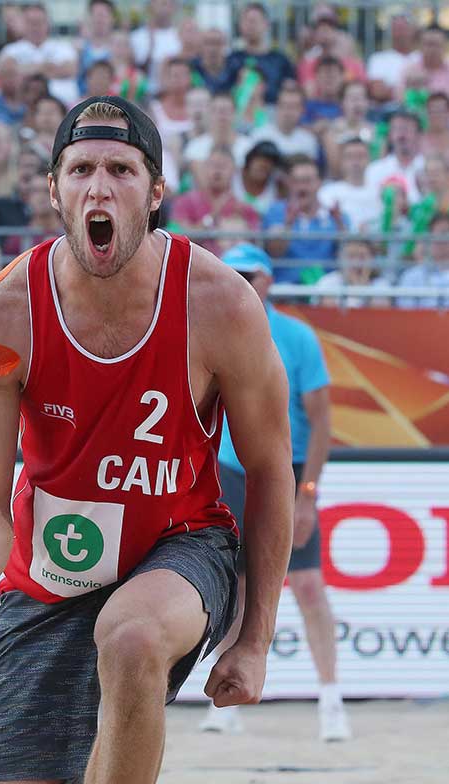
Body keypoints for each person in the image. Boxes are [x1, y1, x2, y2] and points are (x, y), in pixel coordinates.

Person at [0, 94, 292, 784]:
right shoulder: (0, 314)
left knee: (129, 637)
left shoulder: (220, 301)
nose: (102, 187)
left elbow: (271, 469)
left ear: (155, 192)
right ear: (54, 192)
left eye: (122, 170)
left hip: (182, 543)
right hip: (53, 568)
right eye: (83, 170)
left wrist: (254, 638)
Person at [198, 241, 348, 741]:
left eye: (251, 274)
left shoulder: (296, 337)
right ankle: (225, 701)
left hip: (287, 468)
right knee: (235, 588)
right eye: (233, 272)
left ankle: (330, 699)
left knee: (307, 585)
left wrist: (307, 491)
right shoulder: (215, 327)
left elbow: (324, 420)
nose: (241, 280)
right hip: (232, 469)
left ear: (268, 282)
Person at [262, 155, 344, 284]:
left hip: (327, 290)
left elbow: (347, 253)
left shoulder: (335, 214)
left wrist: (339, 223)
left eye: (307, 181)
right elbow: (274, 253)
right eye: (296, 181)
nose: (302, 187)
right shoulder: (276, 211)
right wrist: (288, 224)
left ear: (319, 182)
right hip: (286, 288)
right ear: (289, 183)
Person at [169, 145, 260, 256]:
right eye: (213, 165)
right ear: (204, 168)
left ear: (234, 170)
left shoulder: (246, 205)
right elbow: (180, 240)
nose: (217, 170)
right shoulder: (185, 201)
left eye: (223, 166)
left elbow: (256, 243)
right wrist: (211, 218)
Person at [227, 2, 294, 104]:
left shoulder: (281, 61)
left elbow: (290, 91)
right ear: (240, 25)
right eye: (246, 21)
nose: (250, 25)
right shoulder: (232, 59)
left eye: (254, 21)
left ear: (266, 25)